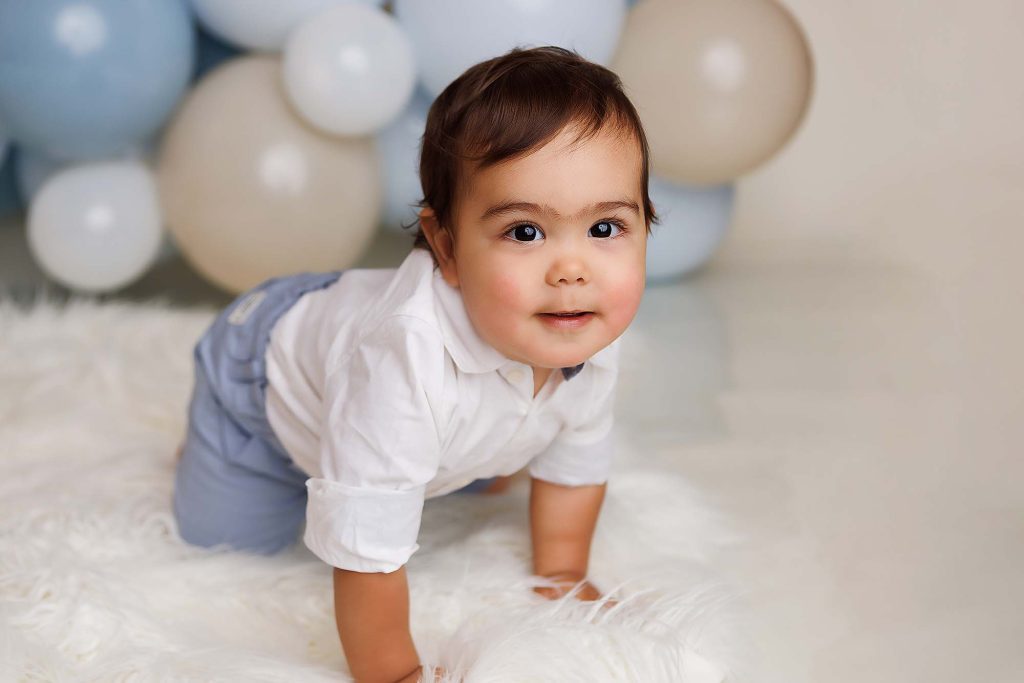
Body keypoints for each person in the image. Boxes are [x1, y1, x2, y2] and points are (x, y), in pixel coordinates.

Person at [171, 45, 658, 683]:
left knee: (467, 452)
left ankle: (443, 454)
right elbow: (364, 552)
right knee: (224, 539)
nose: (573, 271)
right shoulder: (401, 364)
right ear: (447, 248)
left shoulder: (582, 324)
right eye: (524, 232)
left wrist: (562, 572)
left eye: (605, 229)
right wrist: (393, 673)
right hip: (262, 377)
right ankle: (212, 453)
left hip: (361, 348)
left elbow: (577, 458)